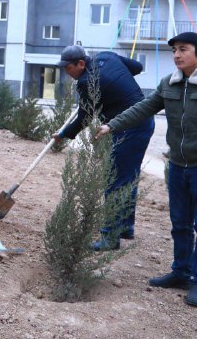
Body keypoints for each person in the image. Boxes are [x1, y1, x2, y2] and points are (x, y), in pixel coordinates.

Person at [97, 32, 197, 308]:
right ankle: (180, 273)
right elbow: (143, 108)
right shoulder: (170, 83)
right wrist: (111, 125)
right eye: (174, 50)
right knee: (180, 225)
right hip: (178, 167)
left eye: (183, 49)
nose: (176, 55)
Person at [54, 45, 155, 251]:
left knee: (115, 180)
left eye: (68, 68)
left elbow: (85, 117)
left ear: (81, 64)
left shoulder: (85, 82)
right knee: (128, 176)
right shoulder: (107, 56)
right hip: (144, 121)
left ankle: (110, 237)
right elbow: (137, 66)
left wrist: (64, 134)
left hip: (128, 128)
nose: (67, 72)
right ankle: (125, 227)